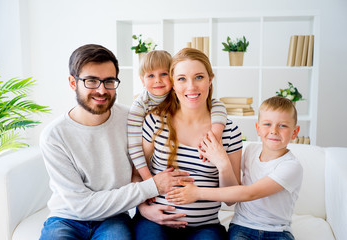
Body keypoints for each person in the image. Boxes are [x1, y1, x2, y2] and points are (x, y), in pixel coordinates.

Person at [39, 44, 192, 240]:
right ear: (72, 82)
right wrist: (153, 186)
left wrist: (144, 207)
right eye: (91, 81)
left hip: (114, 217)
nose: (102, 90)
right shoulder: (54, 136)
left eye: (109, 81)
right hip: (66, 217)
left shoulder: (132, 119)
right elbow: (81, 205)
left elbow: (140, 169)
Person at [133, 48, 243, 240]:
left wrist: (223, 164)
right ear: (173, 84)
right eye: (182, 78)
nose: (191, 87)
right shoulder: (155, 121)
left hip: (204, 228)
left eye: (199, 77)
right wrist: (143, 209)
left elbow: (231, 200)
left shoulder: (229, 132)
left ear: (210, 79)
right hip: (154, 221)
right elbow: (136, 173)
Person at [167, 96, 303, 240]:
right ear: (257, 128)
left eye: (283, 125)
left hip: (278, 231)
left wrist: (197, 193)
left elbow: (250, 193)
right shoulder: (251, 151)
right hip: (243, 227)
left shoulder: (291, 166)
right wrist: (222, 162)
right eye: (267, 124)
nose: (274, 131)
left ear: (295, 131)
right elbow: (233, 185)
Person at [127, 50, 228, 182]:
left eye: (163, 74)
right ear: (142, 80)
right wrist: (149, 182)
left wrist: (214, 135)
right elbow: (134, 148)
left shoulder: (180, 94)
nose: (158, 80)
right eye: (150, 76)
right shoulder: (141, 107)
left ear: (171, 79)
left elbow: (217, 105)